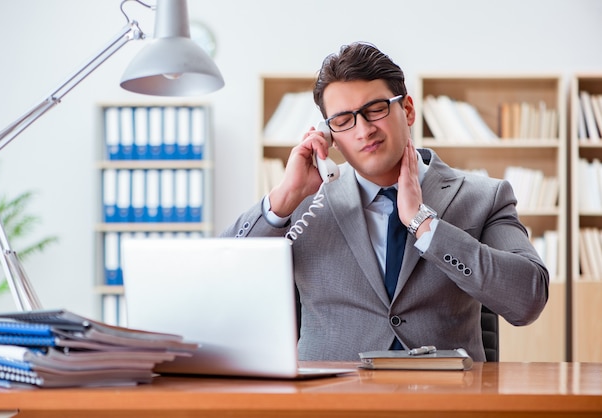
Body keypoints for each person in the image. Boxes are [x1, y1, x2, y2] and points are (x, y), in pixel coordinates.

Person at [220, 42, 549, 362]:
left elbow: (527, 300)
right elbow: (221, 284)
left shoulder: (482, 197)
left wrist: (425, 225)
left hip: (445, 401)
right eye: (344, 120)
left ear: (407, 109)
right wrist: (283, 199)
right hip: (330, 404)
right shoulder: (304, 204)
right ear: (328, 133)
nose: (363, 130)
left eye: (375, 109)